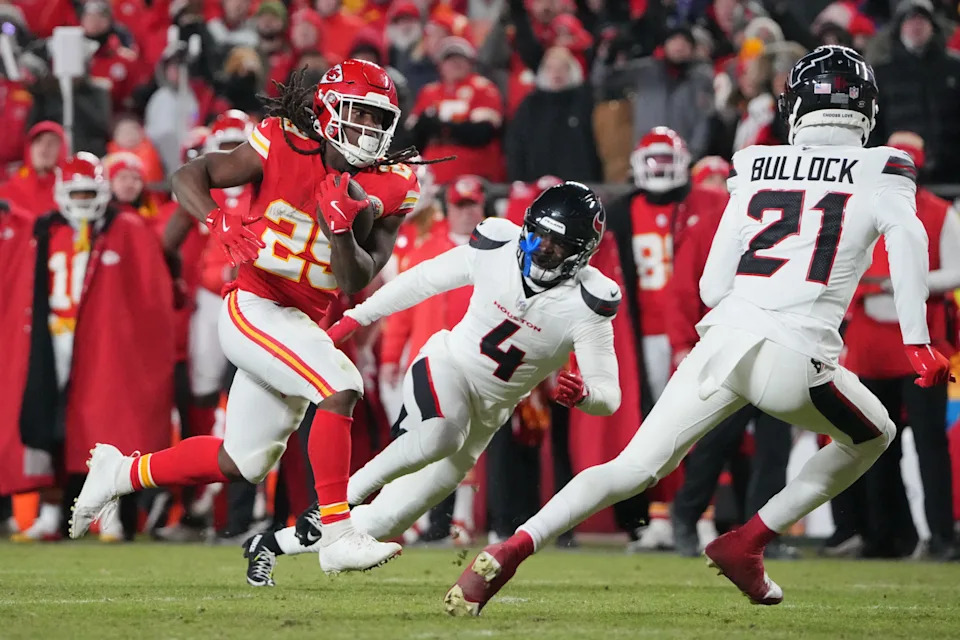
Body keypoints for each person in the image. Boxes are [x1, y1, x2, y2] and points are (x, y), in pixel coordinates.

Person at [446, 45, 952, 615]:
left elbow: (713, 287)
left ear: (799, 105)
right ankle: (749, 541)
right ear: (865, 108)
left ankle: (511, 547)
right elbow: (908, 242)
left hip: (724, 340)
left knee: (631, 469)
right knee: (875, 434)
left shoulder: (755, 162)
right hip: (797, 353)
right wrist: (918, 338)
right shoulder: (885, 165)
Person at [69, 60, 422, 575]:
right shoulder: (282, 141)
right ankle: (338, 535)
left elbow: (353, 279)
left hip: (299, 321)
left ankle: (121, 472)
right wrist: (217, 221)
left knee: (246, 461)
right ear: (326, 110)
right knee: (340, 383)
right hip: (253, 305)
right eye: (357, 114)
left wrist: (343, 231)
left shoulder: (393, 182)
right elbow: (189, 174)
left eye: (376, 119)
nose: (367, 130)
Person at [241, 182, 621, 587]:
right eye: (539, 234)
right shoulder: (496, 248)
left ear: (580, 253)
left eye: (557, 244)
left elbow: (609, 395)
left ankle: (269, 544)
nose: (542, 248)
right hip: (446, 365)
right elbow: (422, 280)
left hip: (486, 417)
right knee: (441, 433)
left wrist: (586, 396)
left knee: (386, 520)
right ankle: (338, 500)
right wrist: (357, 318)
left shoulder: (589, 304)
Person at [0, 153, 175, 542]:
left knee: (106, 424)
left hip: (103, 340)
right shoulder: (45, 229)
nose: (81, 200)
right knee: (46, 422)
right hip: (52, 336)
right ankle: (51, 512)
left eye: (88, 192)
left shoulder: (124, 227)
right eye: (75, 192)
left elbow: (150, 294)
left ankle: (110, 514)